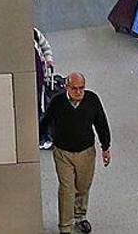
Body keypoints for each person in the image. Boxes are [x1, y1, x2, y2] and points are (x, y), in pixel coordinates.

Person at [40, 72, 112, 234]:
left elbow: (101, 123)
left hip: (85, 152)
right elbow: (45, 121)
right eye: (74, 89)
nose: (78, 92)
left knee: (83, 186)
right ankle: (65, 226)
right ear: (67, 87)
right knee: (66, 189)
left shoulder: (92, 100)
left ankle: (80, 216)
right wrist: (36, 139)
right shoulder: (58, 102)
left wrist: (105, 147)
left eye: (81, 88)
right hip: (63, 152)